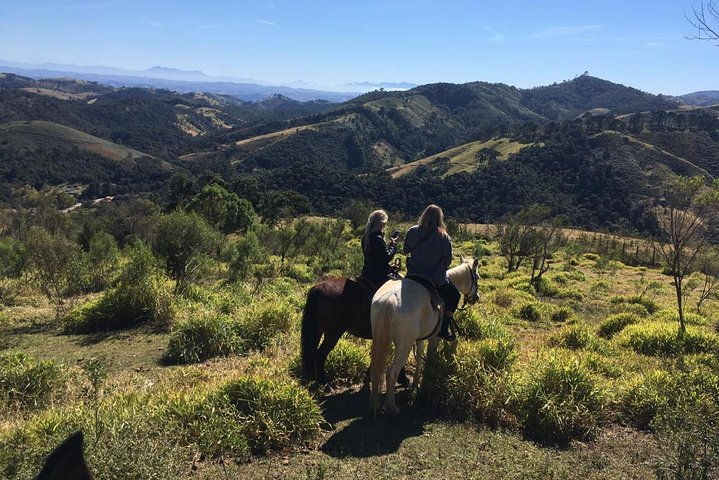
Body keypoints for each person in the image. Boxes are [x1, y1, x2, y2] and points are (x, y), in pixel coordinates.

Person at [403, 204, 460, 341]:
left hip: (413, 276)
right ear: (440, 219)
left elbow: (405, 250)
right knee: (454, 295)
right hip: (434, 279)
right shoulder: (444, 237)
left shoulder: (412, 231)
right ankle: (444, 329)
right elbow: (447, 262)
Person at [360, 209, 398, 287]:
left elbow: (375, 258)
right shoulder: (378, 238)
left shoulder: (365, 237)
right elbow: (386, 257)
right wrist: (393, 245)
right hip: (378, 276)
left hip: (367, 273)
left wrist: (389, 267)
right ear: (381, 224)